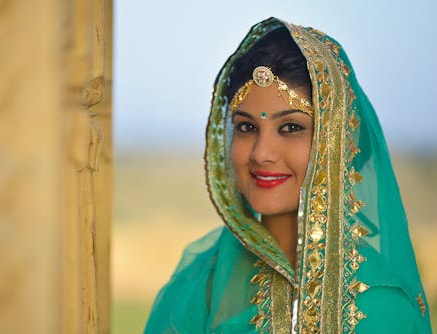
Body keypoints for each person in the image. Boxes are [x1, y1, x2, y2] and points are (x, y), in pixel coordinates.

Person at [144, 17, 432, 333]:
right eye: (246, 127)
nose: (261, 153)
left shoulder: (384, 304)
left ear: (338, 144)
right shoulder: (202, 287)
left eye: (291, 127)